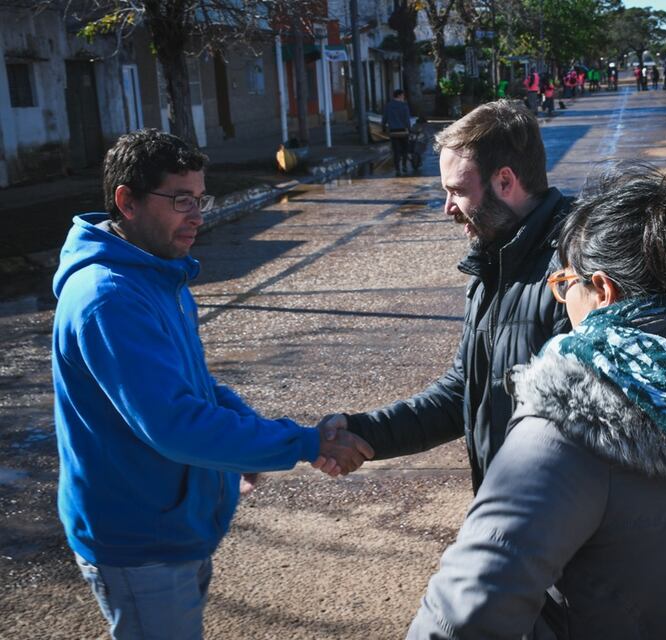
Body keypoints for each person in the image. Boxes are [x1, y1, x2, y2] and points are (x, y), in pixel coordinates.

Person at [408, 161, 666, 640]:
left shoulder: (572, 425)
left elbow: (461, 618)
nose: (561, 300)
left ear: (603, 290)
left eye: (564, 284)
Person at [51, 129, 374, 640]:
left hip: (174, 525)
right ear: (126, 202)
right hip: (139, 540)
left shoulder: (159, 275)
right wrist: (303, 442)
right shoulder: (108, 297)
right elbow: (175, 424)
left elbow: (194, 388)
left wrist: (248, 444)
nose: (198, 214)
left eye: (201, 199)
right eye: (181, 200)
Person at [321, 100, 573, 492]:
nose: (447, 208)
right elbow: (464, 391)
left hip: (553, 523)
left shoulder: (575, 273)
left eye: (457, 191)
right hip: (511, 511)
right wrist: (362, 431)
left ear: (505, 182)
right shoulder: (495, 262)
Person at [382, 88, 412, 176]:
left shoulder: (388, 106)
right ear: (399, 95)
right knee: (405, 150)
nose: (403, 97)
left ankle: (397, 169)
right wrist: (409, 129)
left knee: (396, 151)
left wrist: (383, 127)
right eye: (403, 95)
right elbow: (407, 120)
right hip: (403, 131)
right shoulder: (404, 106)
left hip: (393, 132)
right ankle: (404, 166)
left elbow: (384, 118)